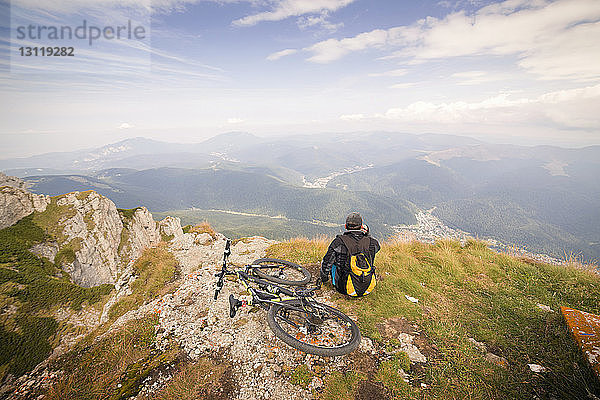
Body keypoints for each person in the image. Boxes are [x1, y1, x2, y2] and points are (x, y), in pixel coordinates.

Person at [320, 212, 380, 297]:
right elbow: (377, 248)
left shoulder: (338, 242)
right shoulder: (372, 243)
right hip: (367, 286)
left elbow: (326, 263)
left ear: (345, 226)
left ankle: (335, 281)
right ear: (361, 226)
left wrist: (324, 278)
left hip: (343, 288)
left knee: (330, 260)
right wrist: (367, 234)